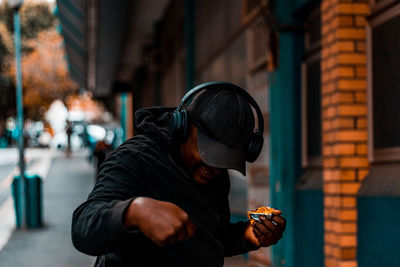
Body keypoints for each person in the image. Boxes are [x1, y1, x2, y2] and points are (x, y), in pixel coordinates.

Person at [71, 81, 286, 267]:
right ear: (183, 126)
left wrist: (246, 236)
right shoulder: (136, 158)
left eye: (224, 160)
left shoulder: (214, 174)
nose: (214, 167)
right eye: (208, 153)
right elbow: (83, 226)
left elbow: (208, 239)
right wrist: (133, 212)